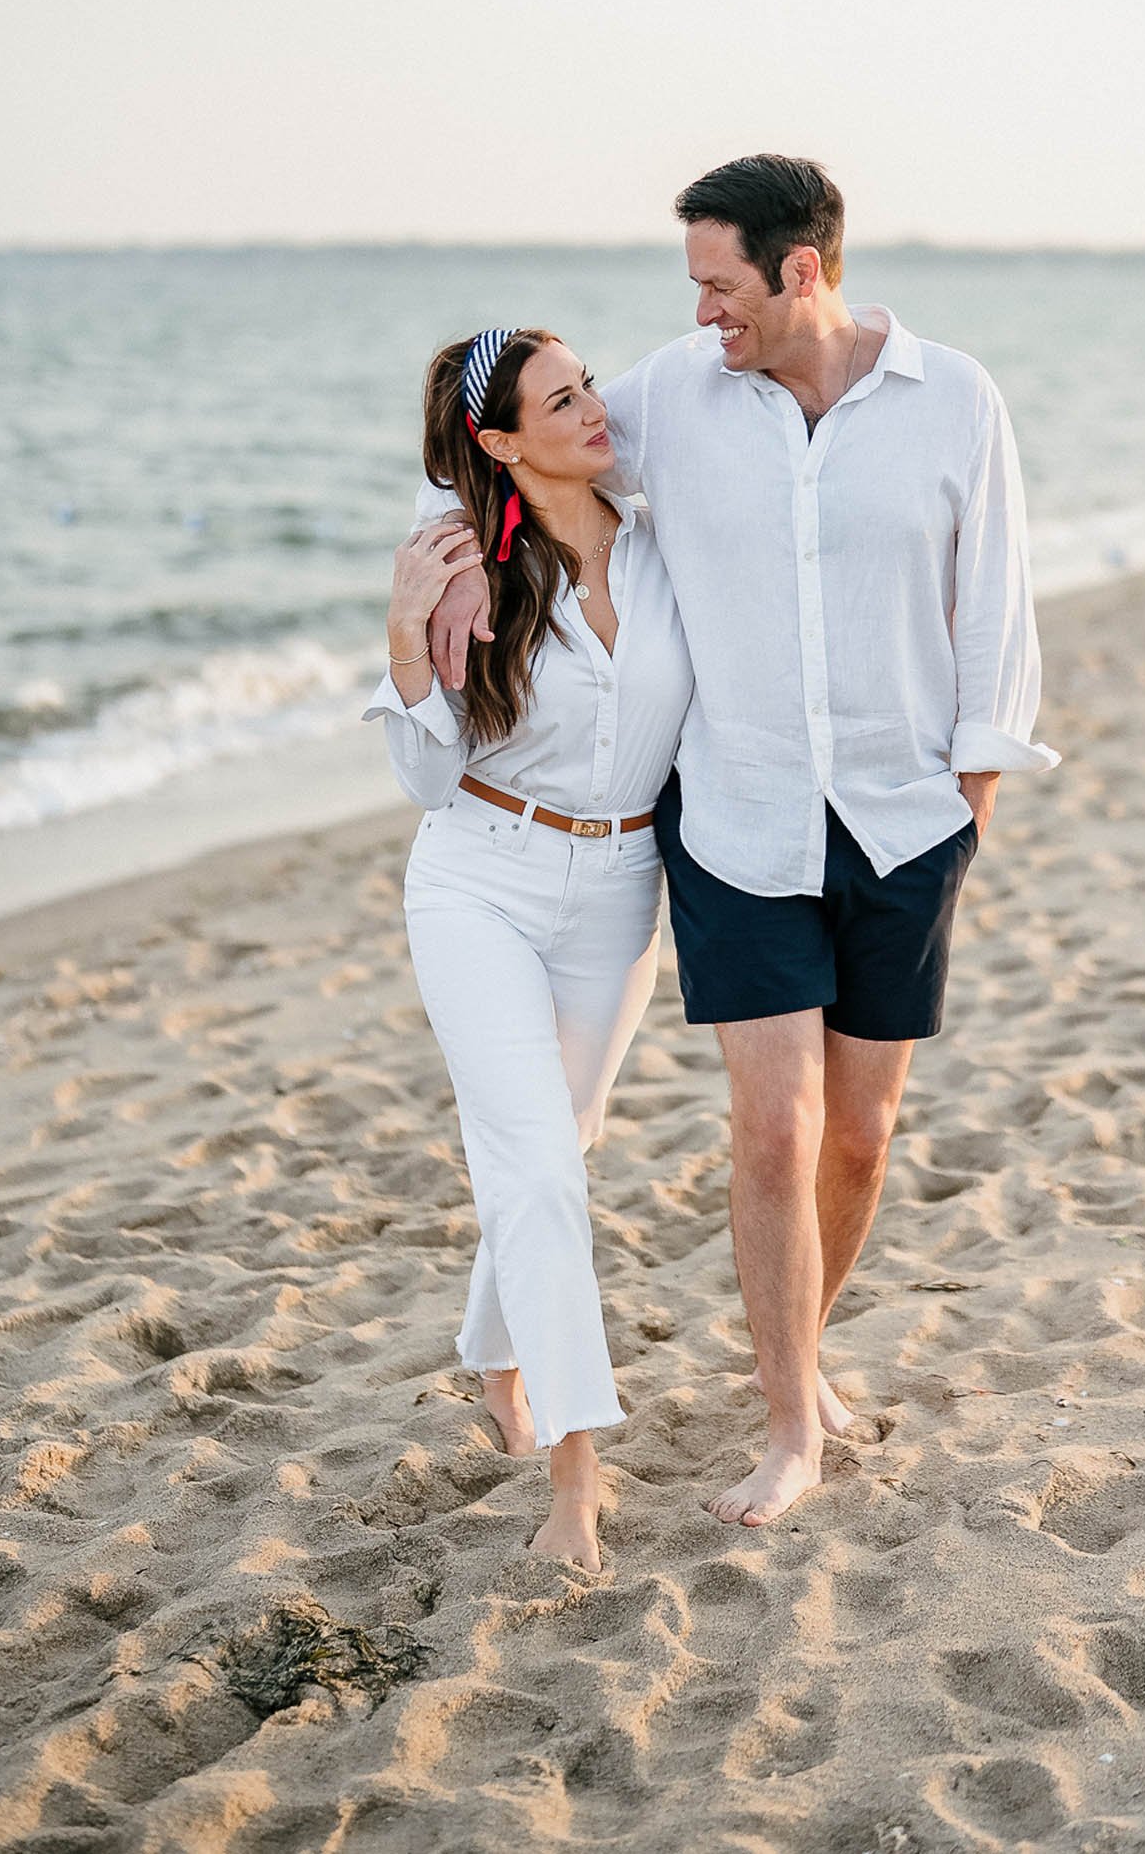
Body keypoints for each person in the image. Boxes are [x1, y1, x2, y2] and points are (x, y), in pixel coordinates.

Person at [426, 156, 1058, 1529]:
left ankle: (805, 1353)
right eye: (695, 288)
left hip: (902, 823)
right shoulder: (670, 392)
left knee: (862, 1140)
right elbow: (528, 452)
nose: (704, 312)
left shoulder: (952, 399)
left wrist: (972, 805)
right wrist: (447, 559)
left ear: (802, 271)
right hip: (736, 818)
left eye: (722, 285)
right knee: (773, 1131)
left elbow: (994, 605)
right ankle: (789, 1425)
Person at [367, 325, 692, 1573]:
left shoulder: (662, 537)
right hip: (478, 879)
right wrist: (406, 633)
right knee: (541, 1171)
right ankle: (576, 1473)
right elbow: (425, 774)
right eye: (561, 402)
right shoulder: (465, 568)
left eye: (590, 384)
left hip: (620, 887)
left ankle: (492, 1351)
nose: (595, 410)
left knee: (563, 1144)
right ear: (501, 444)